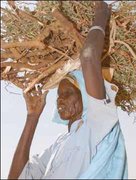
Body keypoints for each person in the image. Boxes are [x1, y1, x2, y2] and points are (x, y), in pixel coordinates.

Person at [8, 2, 127, 179]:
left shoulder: (98, 124)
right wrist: (32, 118)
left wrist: (101, 12)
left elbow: (88, 56)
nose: (59, 100)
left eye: (67, 93)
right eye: (59, 95)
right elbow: (16, 177)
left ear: (86, 97)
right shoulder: (59, 143)